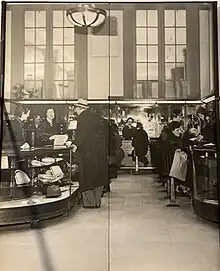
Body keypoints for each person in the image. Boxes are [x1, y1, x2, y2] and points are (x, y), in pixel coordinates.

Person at [74, 99, 109, 208]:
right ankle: (97, 201)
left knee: (87, 177)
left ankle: (90, 203)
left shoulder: (82, 118)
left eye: (75, 107)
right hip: (99, 152)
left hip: (87, 153)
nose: (75, 110)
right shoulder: (98, 118)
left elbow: (82, 135)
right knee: (98, 177)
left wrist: (75, 144)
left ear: (80, 108)